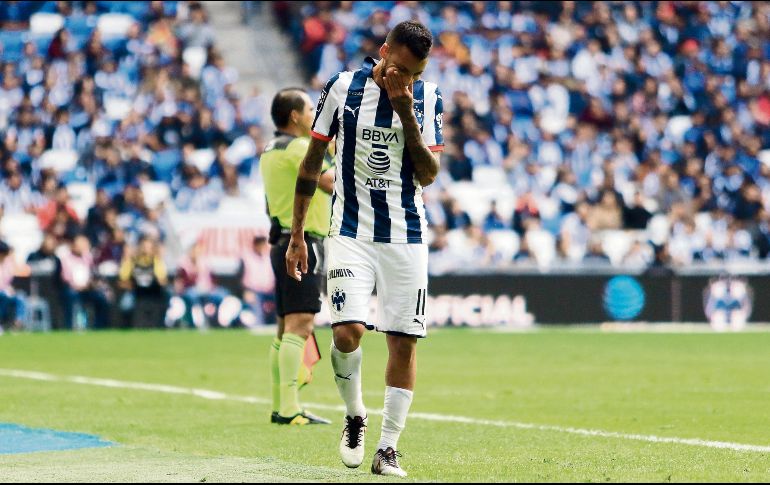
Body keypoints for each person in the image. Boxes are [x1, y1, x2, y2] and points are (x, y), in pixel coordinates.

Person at [286, 21, 443, 477]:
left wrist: (406, 112)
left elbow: (429, 174)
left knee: (403, 343)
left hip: (406, 234)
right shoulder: (342, 88)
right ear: (384, 51)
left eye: (414, 74)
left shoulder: (428, 98)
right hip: (350, 230)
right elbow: (312, 161)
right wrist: (297, 234)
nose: (406, 80)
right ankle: (355, 413)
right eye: (400, 69)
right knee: (347, 332)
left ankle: (387, 448)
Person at [260, 87, 335, 426]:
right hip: (303, 242)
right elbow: (330, 182)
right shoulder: (301, 147)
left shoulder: (270, 150)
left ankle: (282, 405)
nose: (313, 116)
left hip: (280, 241)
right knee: (300, 324)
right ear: (294, 116)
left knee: (284, 327)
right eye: (308, 110)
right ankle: (290, 408)